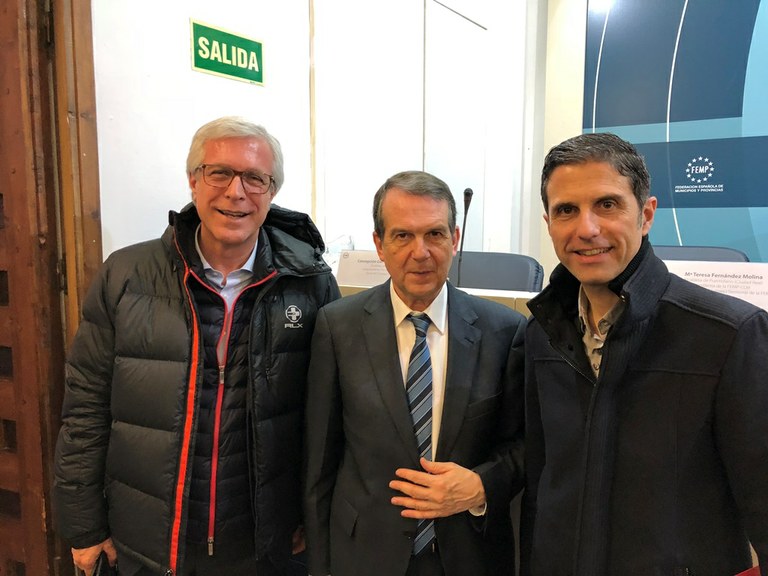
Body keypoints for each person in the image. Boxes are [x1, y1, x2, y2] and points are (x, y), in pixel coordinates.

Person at [52, 116, 341, 575]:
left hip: (263, 544)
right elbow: (86, 405)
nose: (236, 192)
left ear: (272, 192)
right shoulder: (126, 275)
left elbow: (324, 417)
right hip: (148, 540)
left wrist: (311, 514)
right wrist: (84, 525)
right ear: (193, 180)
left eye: (255, 178)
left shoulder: (310, 283)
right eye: (219, 172)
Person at [522, 132, 768, 576]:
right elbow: (541, 483)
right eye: (566, 210)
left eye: (607, 204)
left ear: (647, 214)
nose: (586, 229)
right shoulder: (541, 333)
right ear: (549, 223)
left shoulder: (729, 335)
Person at [303, 170, 526, 576]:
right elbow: (319, 464)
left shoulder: (505, 332)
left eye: (434, 234)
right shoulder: (338, 327)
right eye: (403, 235)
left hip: (467, 555)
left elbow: (524, 447)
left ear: (454, 239)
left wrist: (481, 486)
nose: (420, 252)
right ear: (379, 244)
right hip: (365, 554)